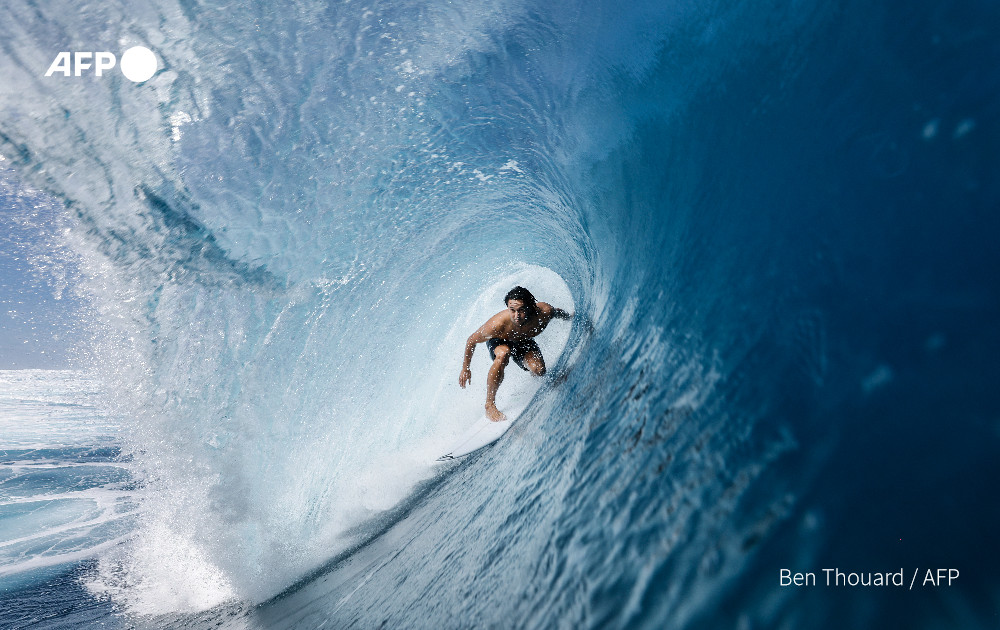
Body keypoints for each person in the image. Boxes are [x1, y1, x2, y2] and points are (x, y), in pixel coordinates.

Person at [459, 286, 573, 422]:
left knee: (539, 370)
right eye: (512, 310)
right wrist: (466, 368)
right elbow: (471, 340)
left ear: (530, 307)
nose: (517, 316)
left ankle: (535, 377)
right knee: (503, 354)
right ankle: (489, 405)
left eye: (521, 310)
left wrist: (571, 317)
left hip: (523, 341)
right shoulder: (497, 325)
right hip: (500, 340)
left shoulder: (544, 312)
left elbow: (557, 313)